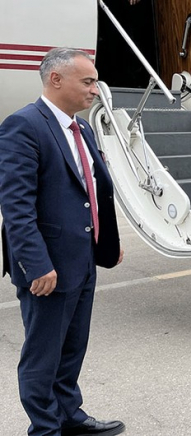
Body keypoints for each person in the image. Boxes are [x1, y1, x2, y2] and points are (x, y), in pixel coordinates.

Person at [0, 48, 125, 436]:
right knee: (43, 356)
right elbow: (16, 206)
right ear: (56, 80)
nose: (95, 90)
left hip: (82, 259)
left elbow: (91, 189)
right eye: (87, 82)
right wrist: (36, 265)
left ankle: (69, 415)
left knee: (72, 349)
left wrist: (106, 241)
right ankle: (45, 428)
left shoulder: (82, 128)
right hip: (48, 268)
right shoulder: (23, 125)